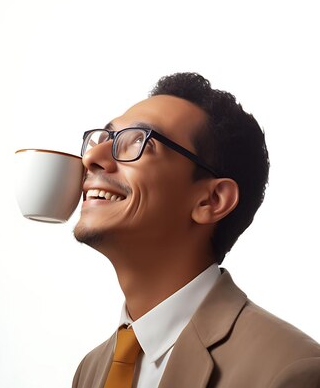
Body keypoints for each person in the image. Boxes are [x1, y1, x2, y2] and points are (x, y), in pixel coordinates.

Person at [71, 72, 320, 388]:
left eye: (137, 140)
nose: (92, 157)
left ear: (211, 200)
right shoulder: (90, 371)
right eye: (104, 139)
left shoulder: (290, 370)